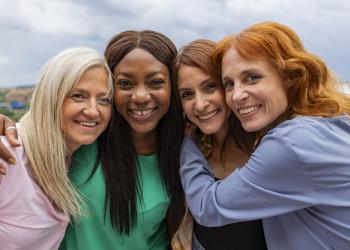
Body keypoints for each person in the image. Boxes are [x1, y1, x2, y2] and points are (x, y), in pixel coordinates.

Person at [0, 31, 184, 250]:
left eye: (155, 82)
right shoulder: (75, 144)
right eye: (125, 83)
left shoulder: (184, 153)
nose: (141, 96)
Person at [180, 22, 350, 250]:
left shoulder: (291, 143)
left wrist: (186, 141)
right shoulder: (330, 123)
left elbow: (208, 207)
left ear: (289, 75)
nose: (237, 95)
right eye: (229, 84)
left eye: (252, 77)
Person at [0, 47, 113, 249]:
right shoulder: (8, 153)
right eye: (78, 96)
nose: (93, 111)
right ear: (50, 97)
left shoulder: (70, 160)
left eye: (104, 100)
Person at [172, 39, 266, 250]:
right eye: (187, 94)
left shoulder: (267, 147)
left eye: (210, 87)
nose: (200, 104)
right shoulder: (187, 150)